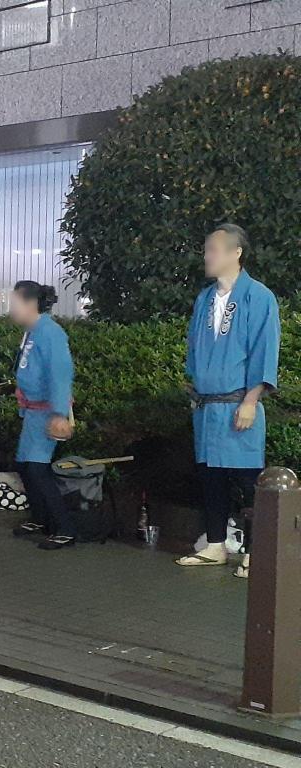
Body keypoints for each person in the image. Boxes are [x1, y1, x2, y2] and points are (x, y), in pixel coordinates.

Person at [177, 223, 279, 571]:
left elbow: (264, 352)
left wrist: (251, 400)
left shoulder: (259, 296)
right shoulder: (204, 299)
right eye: (207, 250)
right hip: (207, 406)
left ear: (236, 253)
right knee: (211, 477)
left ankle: (256, 552)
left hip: (239, 403)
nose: (207, 256)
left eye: (214, 250)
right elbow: (194, 349)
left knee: (248, 481)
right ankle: (216, 545)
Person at [8, 282, 76, 551]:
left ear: (30, 303)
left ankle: (65, 528)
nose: (11, 308)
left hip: (47, 410)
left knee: (37, 469)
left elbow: (60, 374)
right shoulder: (32, 332)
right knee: (26, 466)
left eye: (14, 302)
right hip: (34, 411)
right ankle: (41, 519)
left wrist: (60, 414)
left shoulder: (50, 333)